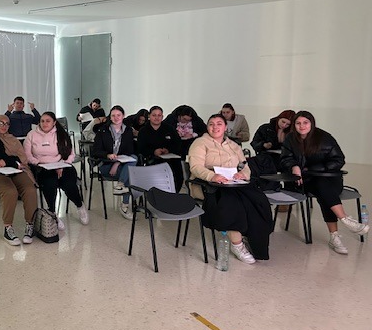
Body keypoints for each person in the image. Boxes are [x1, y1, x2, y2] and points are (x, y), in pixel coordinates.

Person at [280, 111, 369, 254]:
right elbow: (285, 159)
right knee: (323, 190)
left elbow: (339, 160)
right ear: (294, 125)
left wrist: (315, 169)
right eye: (298, 123)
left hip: (329, 178)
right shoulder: (290, 139)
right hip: (304, 181)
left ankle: (336, 234)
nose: (302, 126)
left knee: (323, 187)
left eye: (305, 123)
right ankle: (343, 223)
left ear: (312, 123)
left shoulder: (324, 137)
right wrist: (294, 166)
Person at [188, 114, 273, 263]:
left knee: (258, 200)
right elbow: (195, 167)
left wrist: (242, 174)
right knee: (232, 203)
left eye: (219, 124)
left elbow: (245, 166)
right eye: (211, 124)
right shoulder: (200, 143)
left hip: (232, 183)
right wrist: (212, 176)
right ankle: (237, 244)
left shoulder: (233, 145)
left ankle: (255, 242)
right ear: (207, 127)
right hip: (207, 184)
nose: (215, 127)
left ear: (225, 127)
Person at [24, 111, 89, 226]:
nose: (44, 123)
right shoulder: (32, 134)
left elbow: (70, 154)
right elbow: (27, 155)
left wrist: (61, 165)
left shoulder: (61, 134)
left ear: (54, 122)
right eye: (42, 121)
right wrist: (38, 163)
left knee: (69, 184)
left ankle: (80, 205)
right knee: (50, 183)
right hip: (42, 168)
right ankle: (53, 213)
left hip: (62, 165)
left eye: (48, 121)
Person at [0, 114, 38, 246]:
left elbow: (21, 159)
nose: (4, 126)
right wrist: (9, 161)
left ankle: (30, 225)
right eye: (1, 123)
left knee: (30, 189)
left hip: (15, 171)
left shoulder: (13, 140)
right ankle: (8, 228)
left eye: (7, 124)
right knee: (10, 191)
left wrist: (7, 161)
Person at [92, 105, 138, 219]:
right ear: (110, 117)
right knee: (131, 172)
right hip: (106, 165)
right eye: (113, 115)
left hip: (120, 165)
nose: (116, 118)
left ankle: (120, 185)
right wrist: (108, 156)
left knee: (134, 159)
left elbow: (129, 151)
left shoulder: (127, 130)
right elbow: (95, 151)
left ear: (123, 116)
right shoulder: (103, 130)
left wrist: (117, 163)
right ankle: (124, 206)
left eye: (119, 115)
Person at [137, 105, 184, 191]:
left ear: (162, 116)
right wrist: (153, 151)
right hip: (151, 158)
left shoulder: (169, 128)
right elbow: (140, 148)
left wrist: (168, 150)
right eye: (154, 115)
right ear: (149, 116)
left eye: (159, 115)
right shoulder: (143, 131)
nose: (156, 118)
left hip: (170, 158)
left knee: (177, 170)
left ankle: (174, 193)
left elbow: (177, 143)